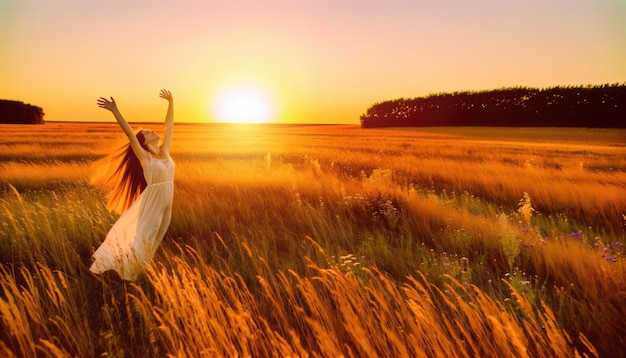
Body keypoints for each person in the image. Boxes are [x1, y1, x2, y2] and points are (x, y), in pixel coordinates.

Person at [89, 89, 175, 281]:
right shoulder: (145, 157)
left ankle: (136, 271)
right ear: (143, 142)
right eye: (146, 132)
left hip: (167, 202)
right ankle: (131, 277)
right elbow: (129, 133)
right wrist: (115, 110)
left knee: (155, 240)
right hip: (153, 203)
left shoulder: (165, 152)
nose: (152, 131)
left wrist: (171, 102)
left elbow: (169, 126)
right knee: (145, 239)